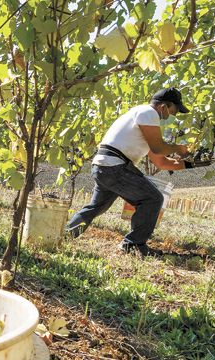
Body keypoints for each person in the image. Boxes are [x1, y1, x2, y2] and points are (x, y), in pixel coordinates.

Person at [65, 87, 192, 257]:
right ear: (163, 106)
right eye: (172, 111)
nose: (170, 117)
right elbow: (158, 147)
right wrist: (179, 148)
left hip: (104, 166)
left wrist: (190, 165)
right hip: (115, 166)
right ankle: (133, 244)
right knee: (153, 199)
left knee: (96, 207)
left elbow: (161, 162)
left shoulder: (141, 119)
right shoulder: (148, 113)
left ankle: (65, 235)